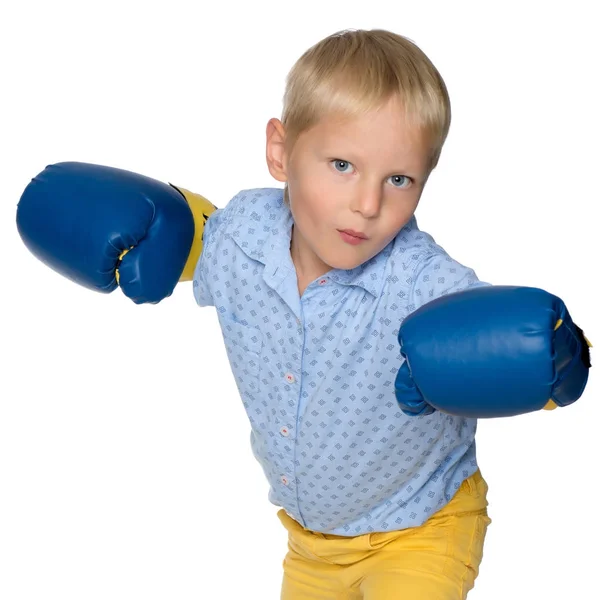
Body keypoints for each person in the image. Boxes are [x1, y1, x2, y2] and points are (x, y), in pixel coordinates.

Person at [16, 29, 591, 599]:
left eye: (399, 179)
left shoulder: (424, 284)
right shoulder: (244, 237)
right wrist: (167, 232)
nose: (368, 205)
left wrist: (555, 359)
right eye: (342, 164)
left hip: (423, 526)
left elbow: (516, 347)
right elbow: (201, 238)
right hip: (312, 541)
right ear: (280, 152)